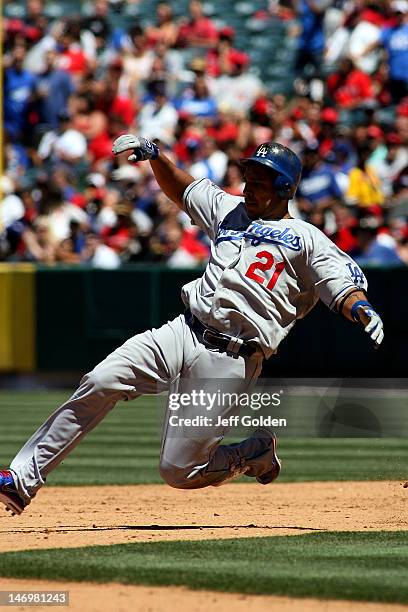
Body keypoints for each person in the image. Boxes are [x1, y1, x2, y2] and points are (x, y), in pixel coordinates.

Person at [0, 138, 384, 515]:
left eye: (260, 182)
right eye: (248, 178)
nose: (249, 188)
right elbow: (184, 188)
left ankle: (253, 451)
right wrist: (156, 157)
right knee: (101, 379)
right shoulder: (229, 210)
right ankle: (21, 479)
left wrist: (361, 308)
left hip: (231, 359)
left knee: (178, 471)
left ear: (285, 188)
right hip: (184, 330)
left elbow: (341, 284)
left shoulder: (307, 239)